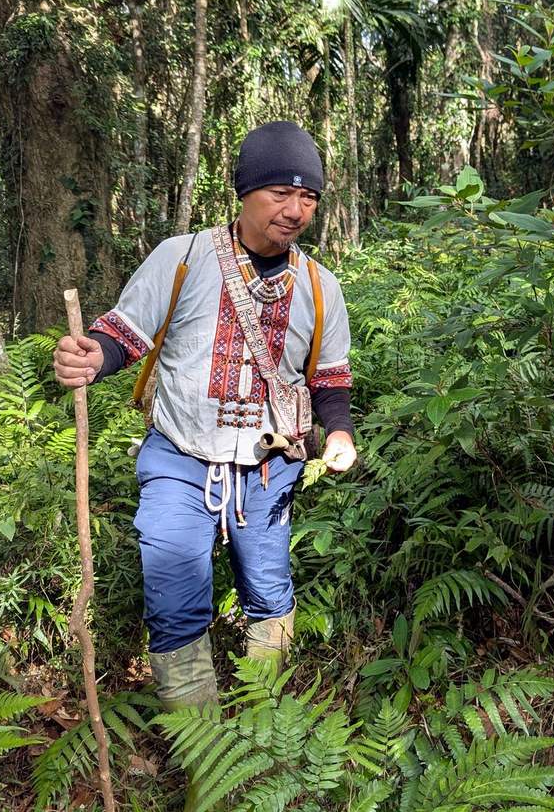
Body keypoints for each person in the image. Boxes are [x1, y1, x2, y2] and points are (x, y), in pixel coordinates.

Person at [52, 121, 356, 713]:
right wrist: (92, 357)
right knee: (174, 599)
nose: (296, 210)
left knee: (268, 592)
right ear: (243, 192)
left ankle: (263, 725)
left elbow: (330, 379)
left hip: (270, 467)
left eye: (309, 197)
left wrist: (338, 431)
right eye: (280, 193)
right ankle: (202, 755)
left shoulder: (321, 288)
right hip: (179, 455)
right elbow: (123, 335)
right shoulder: (183, 258)